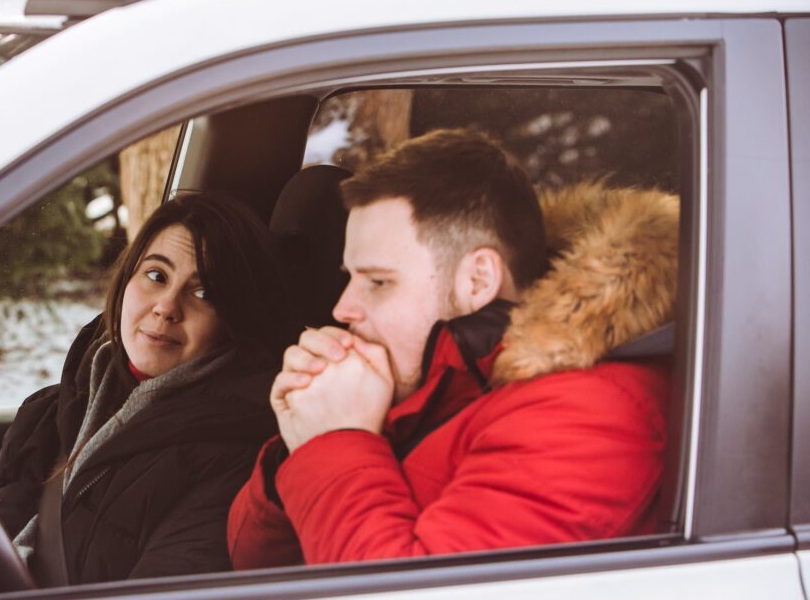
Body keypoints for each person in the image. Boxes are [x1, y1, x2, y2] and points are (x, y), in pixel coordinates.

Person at [228, 128, 677, 568]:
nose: (342, 308)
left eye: (378, 281)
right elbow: (253, 564)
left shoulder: (588, 415)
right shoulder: (434, 382)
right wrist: (299, 442)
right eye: (349, 277)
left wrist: (332, 442)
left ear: (478, 279)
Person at [0, 192, 294, 586]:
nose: (166, 306)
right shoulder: (57, 407)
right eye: (156, 276)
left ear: (236, 321)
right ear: (126, 279)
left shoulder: (231, 464)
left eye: (203, 293)